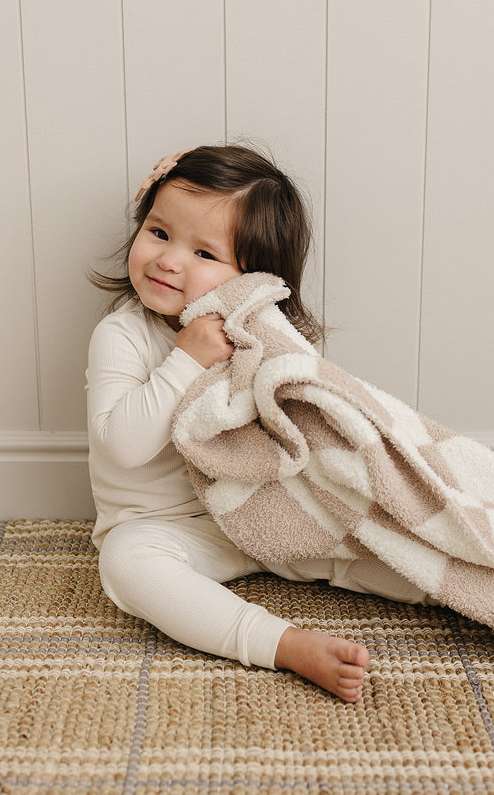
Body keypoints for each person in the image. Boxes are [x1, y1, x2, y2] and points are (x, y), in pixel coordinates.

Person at [86, 144, 433, 702]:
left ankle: (456, 583)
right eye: (159, 233)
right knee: (127, 563)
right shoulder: (122, 336)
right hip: (169, 528)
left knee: (374, 543)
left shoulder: (252, 337)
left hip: (258, 511)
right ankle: (284, 644)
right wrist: (186, 360)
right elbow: (123, 446)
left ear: (252, 278)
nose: (169, 260)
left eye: (204, 252)